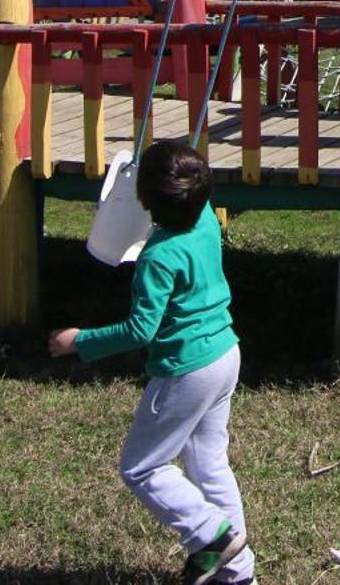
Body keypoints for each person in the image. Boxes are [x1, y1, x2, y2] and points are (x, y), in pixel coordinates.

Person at [50, 141, 254, 585]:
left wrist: (79, 342)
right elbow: (184, 186)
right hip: (225, 354)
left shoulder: (156, 258)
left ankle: (211, 536)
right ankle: (238, 575)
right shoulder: (203, 218)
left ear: (145, 200)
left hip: (187, 371)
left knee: (142, 467)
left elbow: (140, 330)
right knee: (209, 464)